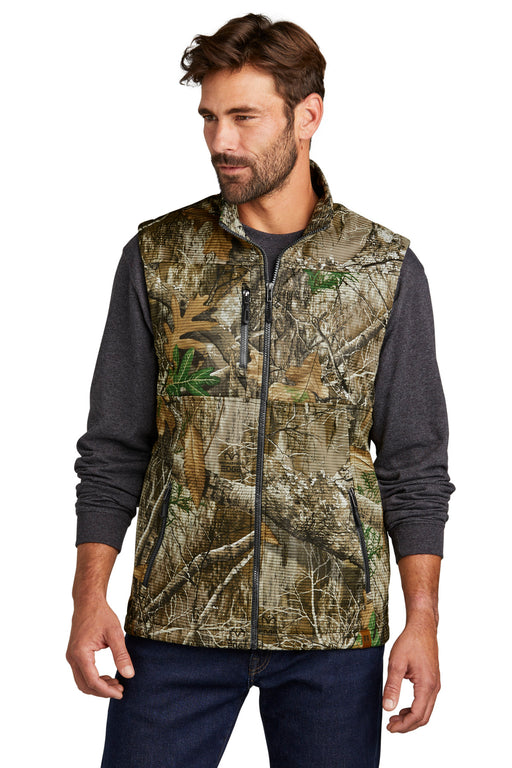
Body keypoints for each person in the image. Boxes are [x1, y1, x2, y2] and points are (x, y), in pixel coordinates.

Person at [66, 13, 456, 768]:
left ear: (308, 115)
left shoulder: (383, 268)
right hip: (174, 619)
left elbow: (413, 463)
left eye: (244, 117)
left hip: (331, 627)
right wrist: (89, 600)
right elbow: (113, 448)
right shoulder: (159, 257)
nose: (221, 141)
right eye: (209, 118)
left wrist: (423, 622)